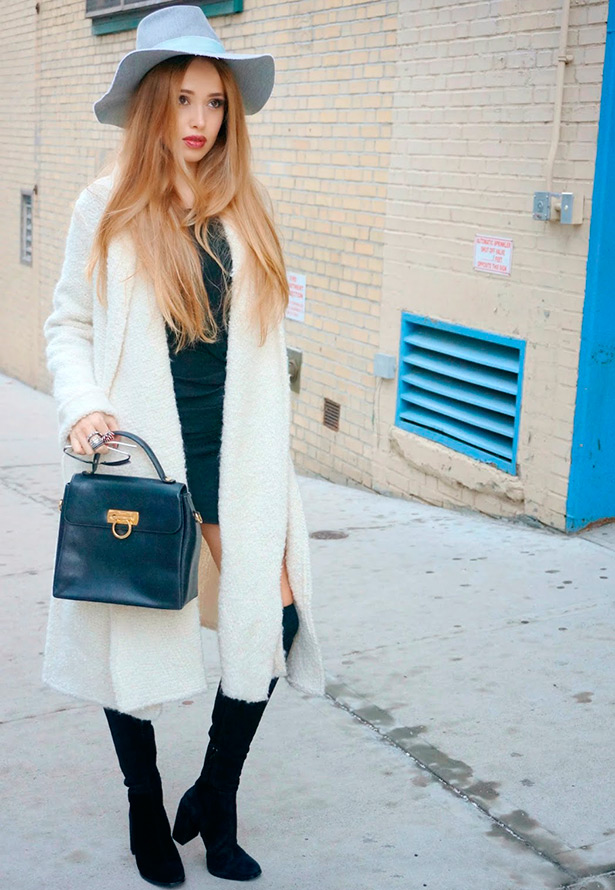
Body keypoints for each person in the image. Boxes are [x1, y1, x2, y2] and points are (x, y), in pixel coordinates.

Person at [42, 5, 326, 886]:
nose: (199, 120)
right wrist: (83, 404)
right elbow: (68, 323)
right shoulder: (105, 206)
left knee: (272, 616)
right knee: (129, 628)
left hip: (234, 453)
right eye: (183, 100)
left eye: (214, 102)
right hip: (142, 454)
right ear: (150, 106)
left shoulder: (244, 209)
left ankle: (215, 793)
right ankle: (144, 803)